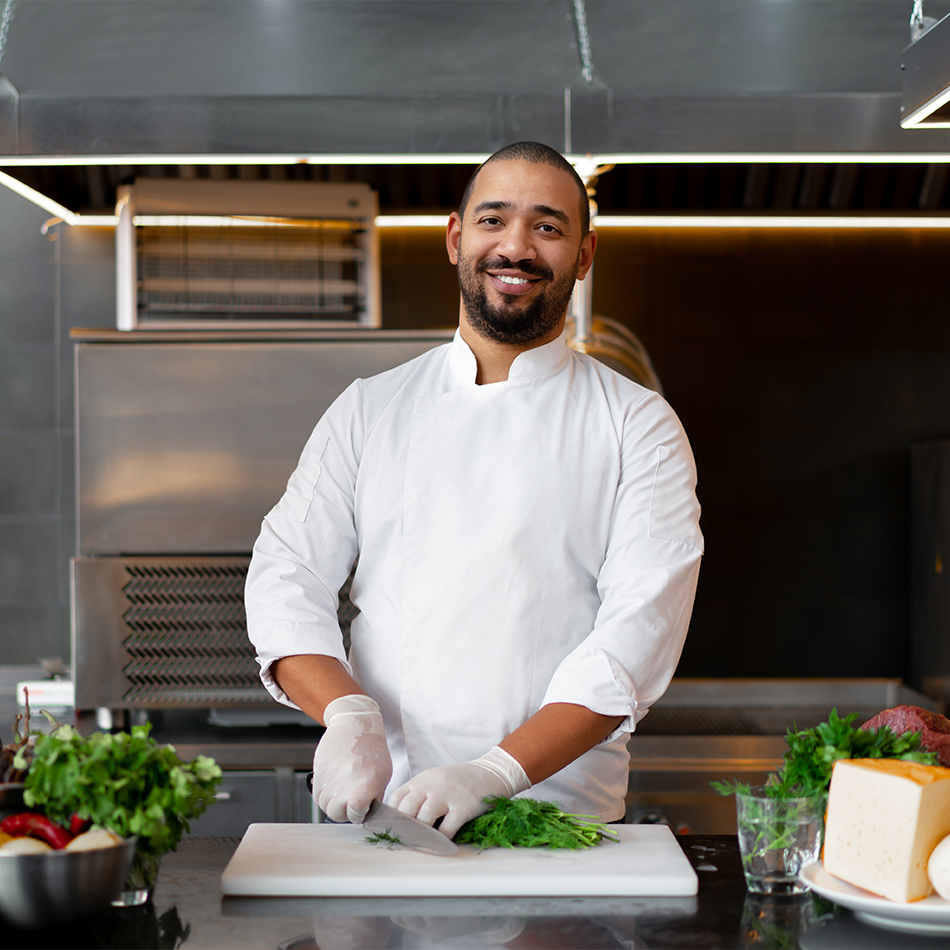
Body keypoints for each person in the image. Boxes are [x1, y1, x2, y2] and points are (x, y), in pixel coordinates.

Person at [245, 141, 703, 840]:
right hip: (384, 809)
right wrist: (349, 714)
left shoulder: (637, 424)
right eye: (493, 220)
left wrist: (495, 772)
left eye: (548, 227)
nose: (515, 246)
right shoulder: (371, 408)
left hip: (558, 823)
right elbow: (287, 577)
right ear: (457, 237)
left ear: (583, 257)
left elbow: (633, 641)